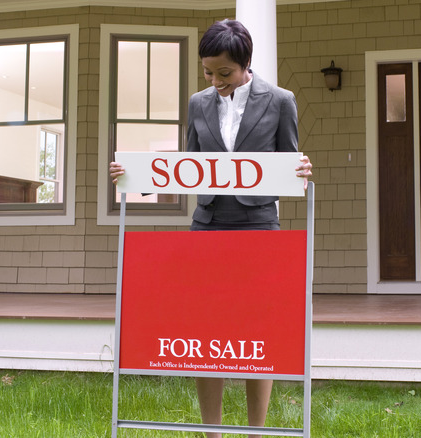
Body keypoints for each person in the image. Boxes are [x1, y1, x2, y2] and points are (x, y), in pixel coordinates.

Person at [110, 19, 312, 438]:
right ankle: (212, 433)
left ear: (245, 65)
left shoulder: (280, 101)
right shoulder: (197, 104)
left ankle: (257, 430)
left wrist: (302, 172)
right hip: (207, 228)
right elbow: (189, 166)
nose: (215, 81)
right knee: (206, 331)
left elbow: (288, 168)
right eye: (208, 72)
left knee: (258, 333)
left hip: (258, 227)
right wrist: (137, 176)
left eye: (225, 73)